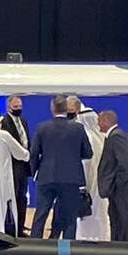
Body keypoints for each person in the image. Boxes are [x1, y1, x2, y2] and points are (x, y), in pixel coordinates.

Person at [28, 95, 93, 239]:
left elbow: (34, 154)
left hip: (47, 177)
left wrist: (35, 172)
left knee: (41, 215)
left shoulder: (42, 127)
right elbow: (88, 153)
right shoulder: (78, 128)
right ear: (66, 109)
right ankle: (67, 249)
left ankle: (34, 246)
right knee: (70, 218)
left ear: (52, 109)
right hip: (71, 179)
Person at [96, 108, 128, 242]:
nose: (97, 123)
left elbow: (125, 164)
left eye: (99, 120)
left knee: (124, 220)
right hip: (119, 188)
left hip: (122, 188)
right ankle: (117, 245)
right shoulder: (115, 136)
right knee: (117, 219)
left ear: (106, 121)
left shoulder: (116, 137)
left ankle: (127, 247)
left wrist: (117, 184)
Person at [70, 96, 108, 240]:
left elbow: (86, 164)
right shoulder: (102, 138)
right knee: (99, 215)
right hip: (101, 184)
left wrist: (81, 186)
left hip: (89, 185)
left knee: (87, 218)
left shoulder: (88, 139)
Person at [0, 94, 32, 229]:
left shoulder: (23, 121)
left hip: (24, 166)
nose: (18, 108)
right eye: (15, 106)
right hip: (12, 165)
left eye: (20, 106)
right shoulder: (4, 122)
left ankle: (21, 225)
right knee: (12, 197)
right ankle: (11, 227)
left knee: (22, 197)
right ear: (8, 107)